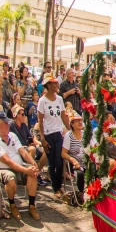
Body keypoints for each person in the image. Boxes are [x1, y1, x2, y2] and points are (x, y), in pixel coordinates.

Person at [0, 112, 40, 220]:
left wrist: (33, 163)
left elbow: (23, 151)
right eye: (5, 124)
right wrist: (25, 170)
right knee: (11, 179)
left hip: (20, 165)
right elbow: (8, 162)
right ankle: (12, 204)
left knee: (32, 173)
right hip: (4, 169)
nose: (8, 125)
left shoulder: (12, 135)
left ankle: (32, 206)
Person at [38, 73, 69, 202]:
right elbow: (40, 121)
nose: (57, 85)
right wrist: (43, 139)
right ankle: (55, 188)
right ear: (49, 85)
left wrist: (70, 129)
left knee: (59, 161)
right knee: (52, 163)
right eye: (55, 83)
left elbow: (63, 116)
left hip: (58, 133)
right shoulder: (42, 101)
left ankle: (59, 186)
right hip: (48, 134)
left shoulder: (60, 99)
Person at [61, 114, 85, 200]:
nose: (80, 122)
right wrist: (73, 160)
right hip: (75, 164)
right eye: (77, 121)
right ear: (72, 124)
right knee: (80, 174)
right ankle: (81, 193)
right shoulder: (69, 135)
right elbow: (63, 153)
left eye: (81, 120)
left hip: (87, 161)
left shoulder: (85, 134)